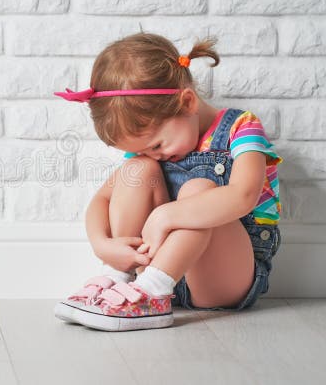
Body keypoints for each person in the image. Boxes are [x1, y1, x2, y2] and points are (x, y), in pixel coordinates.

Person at [52, 32, 283, 332]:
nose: (155, 155)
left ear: (187, 103)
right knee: (137, 170)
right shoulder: (148, 155)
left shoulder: (242, 127)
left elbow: (244, 196)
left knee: (198, 189)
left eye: (157, 146)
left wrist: (167, 214)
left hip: (224, 278)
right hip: (152, 274)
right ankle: (119, 279)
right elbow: (102, 199)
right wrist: (103, 245)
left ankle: (153, 292)